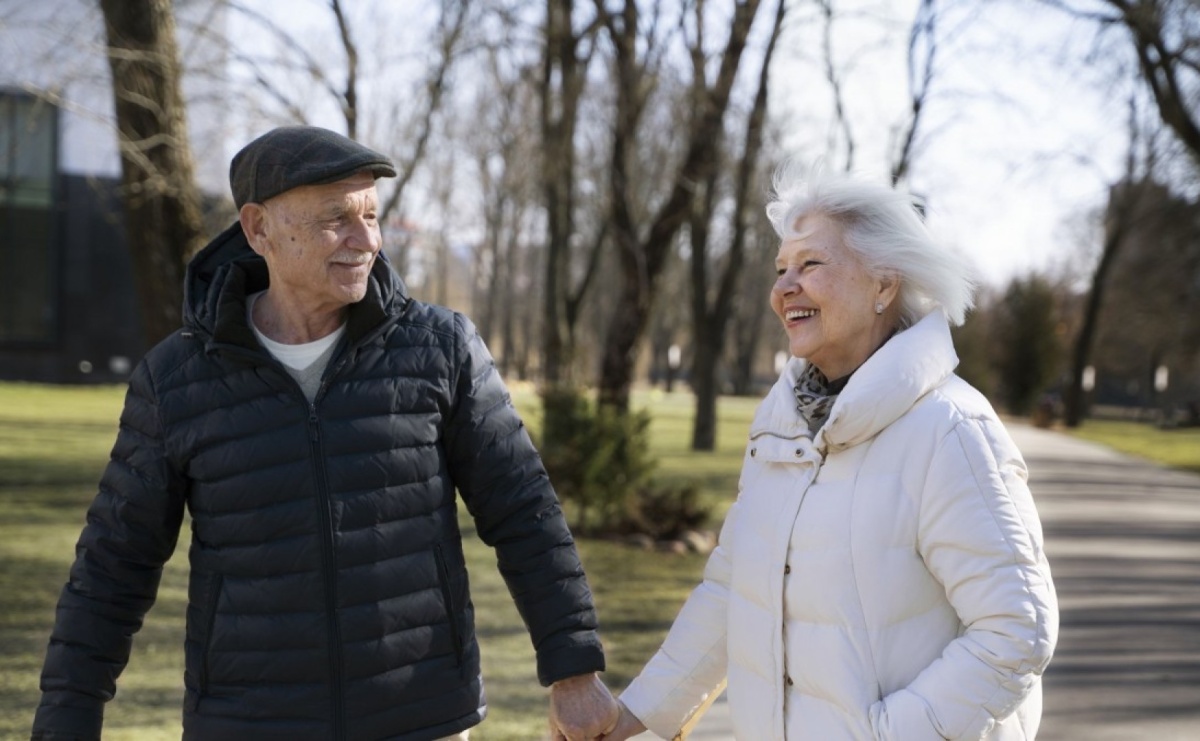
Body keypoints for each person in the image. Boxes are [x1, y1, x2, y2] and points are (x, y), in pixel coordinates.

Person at [31, 126, 619, 741]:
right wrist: (67, 718)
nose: (367, 240)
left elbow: (525, 511)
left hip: (420, 718)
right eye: (337, 219)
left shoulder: (441, 348)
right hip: (250, 723)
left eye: (371, 214)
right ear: (258, 229)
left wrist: (574, 669)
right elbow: (112, 566)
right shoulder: (177, 379)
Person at [605, 166, 1059, 740]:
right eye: (780, 270)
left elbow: (1017, 630)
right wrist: (636, 714)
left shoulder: (951, 430)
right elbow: (733, 592)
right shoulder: (780, 429)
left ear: (884, 284)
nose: (783, 288)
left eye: (810, 265)